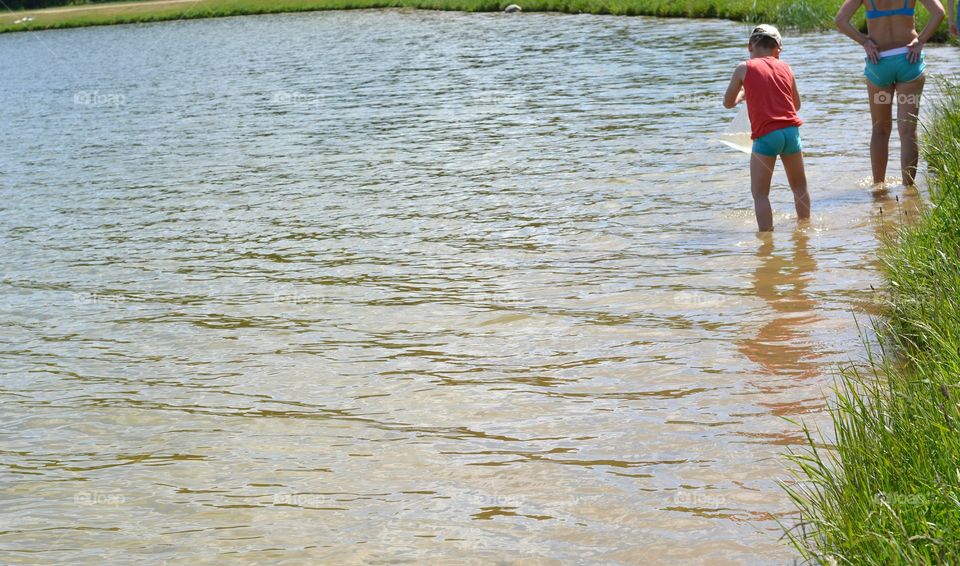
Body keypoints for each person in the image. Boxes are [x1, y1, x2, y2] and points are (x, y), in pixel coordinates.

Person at [836, 0, 945, 188]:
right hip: (909, 60)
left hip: (880, 63)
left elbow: (841, 20)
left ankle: (879, 189)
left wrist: (865, 42)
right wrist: (921, 40)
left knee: (879, 130)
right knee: (908, 131)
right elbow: (939, 12)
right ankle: (909, 190)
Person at [723, 25, 811, 233]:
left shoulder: (743, 68)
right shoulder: (787, 68)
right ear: (777, 50)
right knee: (799, 187)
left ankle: (766, 241)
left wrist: (742, 96)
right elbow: (796, 105)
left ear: (750, 46)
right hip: (791, 132)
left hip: (766, 136)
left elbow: (727, 102)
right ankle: (805, 230)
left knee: (760, 194)